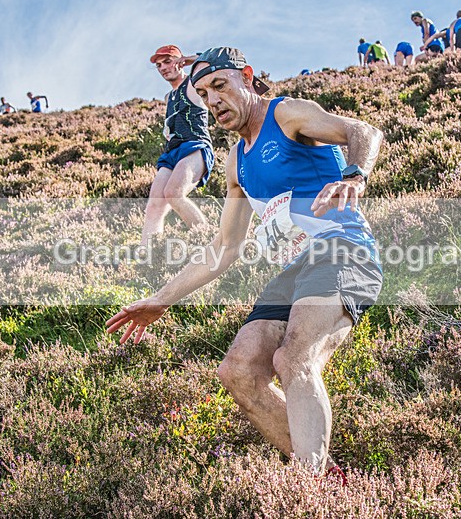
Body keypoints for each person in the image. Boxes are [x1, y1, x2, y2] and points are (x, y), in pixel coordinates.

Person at [106, 47, 384, 480]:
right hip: (295, 270)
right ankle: (330, 478)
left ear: (247, 78)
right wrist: (160, 300)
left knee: (294, 360)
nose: (213, 100)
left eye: (220, 85)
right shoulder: (236, 162)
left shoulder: (287, 115)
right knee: (238, 371)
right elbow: (225, 246)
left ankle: (311, 492)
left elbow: (362, 131)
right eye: (202, 94)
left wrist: (354, 175)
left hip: (342, 250)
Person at [141, 44, 215, 243]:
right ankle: (147, 260)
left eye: (167, 61)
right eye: (159, 65)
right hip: (172, 153)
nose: (163, 67)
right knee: (154, 206)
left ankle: (209, 242)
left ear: (179, 61)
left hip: (195, 146)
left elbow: (212, 60)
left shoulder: (193, 84)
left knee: (174, 193)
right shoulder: (168, 97)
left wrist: (190, 60)